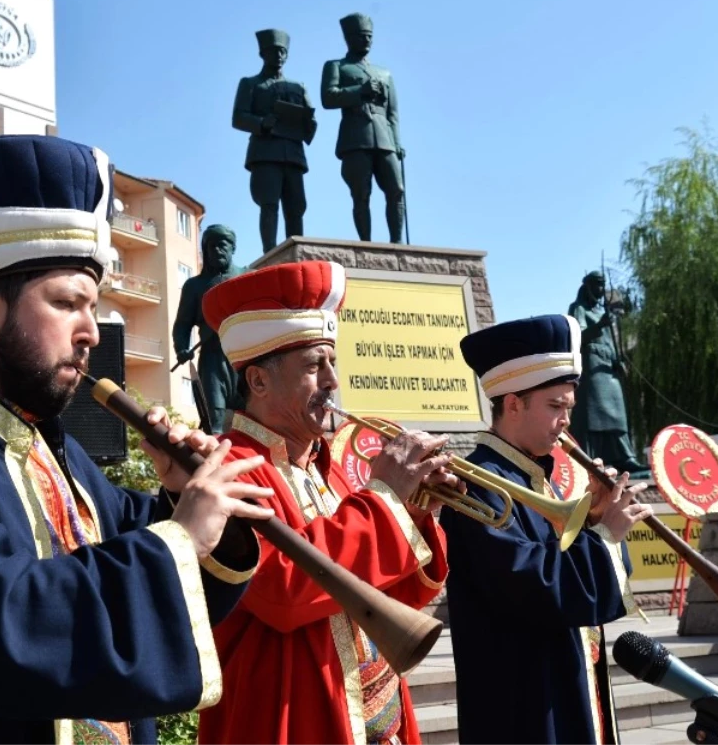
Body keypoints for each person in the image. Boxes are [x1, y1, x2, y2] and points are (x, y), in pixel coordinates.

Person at [0, 135, 275, 745]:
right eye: (68, 304)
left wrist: (181, 498)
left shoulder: (59, 456)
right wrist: (179, 536)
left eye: (95, 306)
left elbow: (140, 545)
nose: (92, 331)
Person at [194, 260, 457, 745]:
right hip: (292, 719)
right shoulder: (228, 467)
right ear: (258, 382)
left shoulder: (326, 464)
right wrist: (384, 500)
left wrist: (416, 514)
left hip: (380, 718)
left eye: (333, 363)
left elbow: (392, 602)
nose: (333, 381)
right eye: (315, 365)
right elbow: (287, 593)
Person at [440, 314, 652, 745]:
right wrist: (606, 537)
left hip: (561, 681)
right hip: (521, 701)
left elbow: (571, 568)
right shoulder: (479, 483)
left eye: (569, 408)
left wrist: (594, 517)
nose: (565, 422)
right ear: (513, 403)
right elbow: (534, 585)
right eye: (555, 406)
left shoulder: (540, 477)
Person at [321, 13, 406, 243]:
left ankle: (397, 243)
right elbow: (328, 98)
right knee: (361, 194)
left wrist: (397, 142)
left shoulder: (384, 73)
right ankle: (366, 243)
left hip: (384, 138)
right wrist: (360, 92)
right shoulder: (337, 66)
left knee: (396, 189)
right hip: (355, 137)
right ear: (349, 39)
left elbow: (393, 112)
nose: (366, 40)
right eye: (361, 36)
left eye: (369, 36)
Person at [231, 28, 317, 253]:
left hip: (293, 154)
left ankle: (297, 250)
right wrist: (261, 123)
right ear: (262, 53)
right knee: (269, 204)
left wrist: (309, 123)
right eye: (273, 51)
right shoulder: (250, 84)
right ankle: (269, 251)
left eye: (282, 52)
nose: (278, 56)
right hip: (265, 152)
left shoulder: (299, 87)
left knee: (296, 206)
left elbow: (310, 117)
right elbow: (238, 117)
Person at [568, 271, 646, 475]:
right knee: (594, 413)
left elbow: (611, 342)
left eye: (603, 286)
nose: (601, 290)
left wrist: (618, 361)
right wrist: (601, 324)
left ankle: (624, 457)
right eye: (597, 286)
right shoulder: (579, 309)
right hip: (592, 366)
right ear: (588, 286)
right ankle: (591, 457)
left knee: (617, 412)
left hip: (608, 366)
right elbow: (578, 337)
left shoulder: (605, 312)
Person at [171, 224, 243, 431]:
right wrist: (181, 348)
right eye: (211, 246)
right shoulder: (194, 286)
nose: (217, 250)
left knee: (251, 417)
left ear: (233, 248)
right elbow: (182, 325)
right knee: (214, 421)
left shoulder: (248, 277)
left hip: (244, 356)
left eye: (222, 245)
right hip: (212, 360)